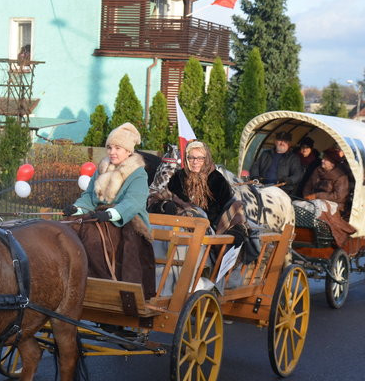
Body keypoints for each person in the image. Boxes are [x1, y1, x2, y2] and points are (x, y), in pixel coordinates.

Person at [62, 122, 156, 298]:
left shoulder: (138, 173)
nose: (112, 152)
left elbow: (134, 201)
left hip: (129, 222)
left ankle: (102, 286)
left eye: (118, 148)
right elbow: (90, 197)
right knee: (67, 228)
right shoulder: (102, 169)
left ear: (129, 151)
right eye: (110, 147)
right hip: (100, 218)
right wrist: (76, 209)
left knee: (93, 239)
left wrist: (111, 214)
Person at [147, 140, 254, 261]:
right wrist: (166, 205)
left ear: (206, 158)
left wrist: (234, 228)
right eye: (191, 158)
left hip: (211, 229)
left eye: (200, 158)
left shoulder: (217, 180)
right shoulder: (178, 177)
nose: (195, 162)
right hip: (181, 226)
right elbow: (160, 197)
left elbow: (230, 206)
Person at [294, 148, 356, 246]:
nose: (322, 160)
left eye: (325, 159)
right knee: (295, 204)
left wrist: (317, 196)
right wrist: (306, 196)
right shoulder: (317, 171)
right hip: (313, 200)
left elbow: (339, 196)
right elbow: (308, 185)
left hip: (336, 205)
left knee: (318, 205)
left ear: (332, 163)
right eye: (323, 158)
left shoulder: (341, 177)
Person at [249, 131, 303, 196]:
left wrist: (289, 180)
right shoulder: (265, 153)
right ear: (275, 141)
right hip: (261, 186)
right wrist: (255, 177)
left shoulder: (293, 158)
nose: (282, 143)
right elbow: (255, 167)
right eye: (280, 140)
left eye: (285, 141)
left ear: (289, 144)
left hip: (281, 190)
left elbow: (298, 174)